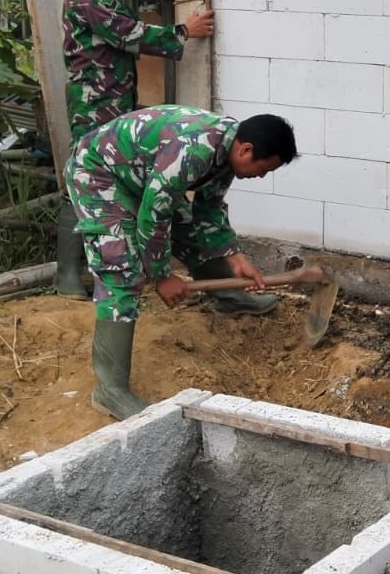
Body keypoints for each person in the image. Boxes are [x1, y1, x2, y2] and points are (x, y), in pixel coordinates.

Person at [52, 0, 257, 315]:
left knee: (118, 174)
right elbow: (128, 33)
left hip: (113, 93)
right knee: (85, 170)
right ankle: (67, 275)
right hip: (94, 98)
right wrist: (185, 31)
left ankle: (113, 267)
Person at [65, 105, 298, 419]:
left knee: (191, 228)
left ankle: (228, 298)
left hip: (140, 178)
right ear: (246, 150)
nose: (261, 177)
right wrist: (162, 276)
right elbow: (153, 217)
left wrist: (234, 254)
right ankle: (110, 390)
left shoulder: (229, 145)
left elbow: (209, 208)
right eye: (265, 169)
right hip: (98, 174)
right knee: (121, 270)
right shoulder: (193, 150)